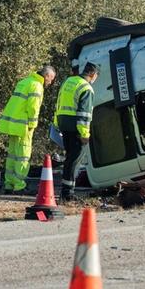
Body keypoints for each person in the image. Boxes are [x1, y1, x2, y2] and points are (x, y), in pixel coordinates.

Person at [0, 66, 56, 193]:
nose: (50, 83)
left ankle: (9, 184)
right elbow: (33, 108)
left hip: (13, 125)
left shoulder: (24, 81)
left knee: (12, 155)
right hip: (24, 126)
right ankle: (19, 185)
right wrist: (32, 125)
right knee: (23, 156)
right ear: (46, 76)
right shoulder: (37, 86)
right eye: (51, 79)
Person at [54, 62, 99, 201]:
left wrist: (57, 124)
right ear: (92, 74)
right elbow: (84, 114)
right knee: (75, 160)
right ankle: (68, 194)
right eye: (96, 76)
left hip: (64, 124)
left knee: (69, 159)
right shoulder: (86, 88)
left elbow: (59, 102)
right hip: (76, 128)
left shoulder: (69, 81)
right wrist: (85, 135)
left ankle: (66, 191)